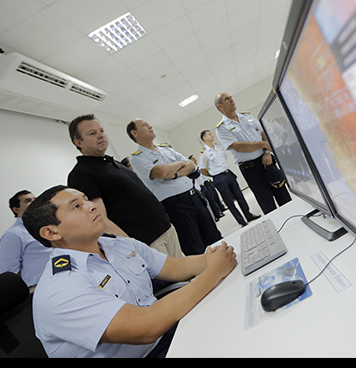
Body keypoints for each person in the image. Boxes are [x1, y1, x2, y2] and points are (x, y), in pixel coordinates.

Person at [21, 185, 236, 358]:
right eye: (76, 206)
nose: (91, 206)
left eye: (86, 199)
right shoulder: (60, 289)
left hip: (166, 337)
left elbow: (174, 267)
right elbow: (146, 327)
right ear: (51, 232)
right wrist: (213, 272)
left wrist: (213, 259)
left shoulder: (116, 245)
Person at [67, 114, 183, 258]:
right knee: (175, 280)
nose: (101, 135)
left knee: (187, 275)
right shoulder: (82, 174)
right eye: (92, 133)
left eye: (101, 131)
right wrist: (133, 247)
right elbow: (100, 218)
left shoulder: (112, 163)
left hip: (165, 230)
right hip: (146, 243)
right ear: (78, 142)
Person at [126, 118, 222, 256]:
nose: (150, 126)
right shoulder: (137, 159)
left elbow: (190, 165)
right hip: (176, 206)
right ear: (134, 133)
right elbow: (161, 172)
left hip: (194, 196)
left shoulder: (165, 149)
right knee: (195, 246)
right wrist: (177, 167)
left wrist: (174, 173)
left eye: (149, 123)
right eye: (145, 125)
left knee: (214, 236)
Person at [213, 93, 292, 215]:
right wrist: (263, 145)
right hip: (251, 169)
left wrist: (266, 152)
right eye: (226, 99)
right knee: (267, 203)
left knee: (283, 195)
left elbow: (263, 133)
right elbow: (238, 147)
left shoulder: (247, 117)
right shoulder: (222, 128)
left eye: (231, 97)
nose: (231, 99)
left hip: (267, 161)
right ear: (220, 106)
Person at [198, 129, 260, 227]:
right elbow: (202, 169)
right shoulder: (204, 153)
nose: (212, 135)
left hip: (228, 174)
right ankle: (241, 221)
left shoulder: (218, 147)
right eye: (209, 134)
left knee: (239, 195)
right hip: (218, 178)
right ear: (204, 138)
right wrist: (214, 174)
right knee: (229, 201)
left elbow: (225, 158)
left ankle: (248, 215)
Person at [0, 190, 52, 290]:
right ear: (16, 209)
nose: (34, 202)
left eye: (35, 199)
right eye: (28, 201)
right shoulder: (13, 234)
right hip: (39, 287)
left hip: (59, 280)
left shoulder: (46, 227)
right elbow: (10, 271)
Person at [189, 154, 225, 222]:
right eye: (193, 158)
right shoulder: (193, 168)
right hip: (201, 186)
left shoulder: (199, 164)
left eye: (195, 157)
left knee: (213, 197)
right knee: (208, 201)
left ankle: (218, 212)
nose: (195, 159)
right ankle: (215, 215)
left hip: (205, 183)